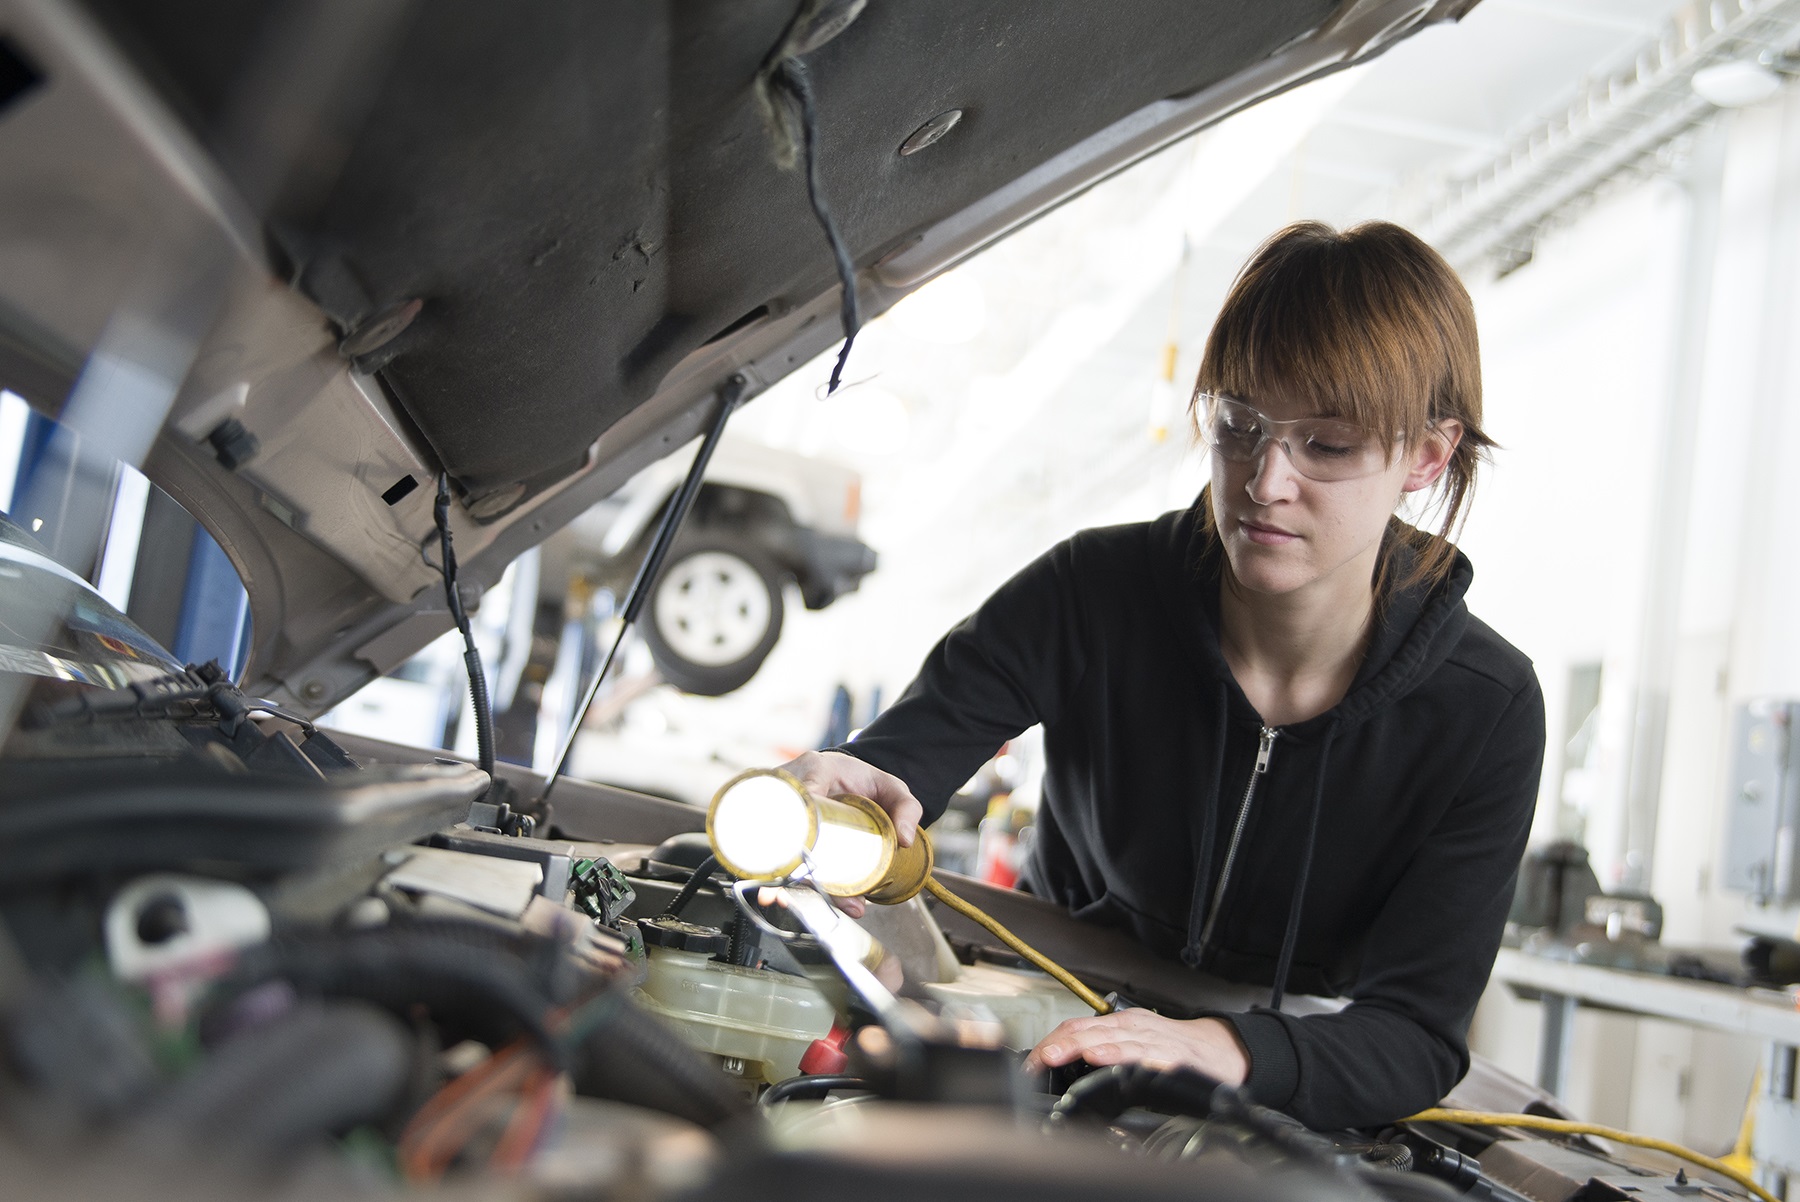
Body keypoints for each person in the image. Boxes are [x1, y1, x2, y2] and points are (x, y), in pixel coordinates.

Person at [780, 220, 1545, 1131]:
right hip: (1050, 1012)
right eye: (1240, 427)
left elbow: (1417, 1029)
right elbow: (902, 761)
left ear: (1427, 455)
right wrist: (848, 793)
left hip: (1293, 1068)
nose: (1265, 481)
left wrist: (1223, 1046)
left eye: (1327, 447)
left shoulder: (1486, 709)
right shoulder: (1090, 592)